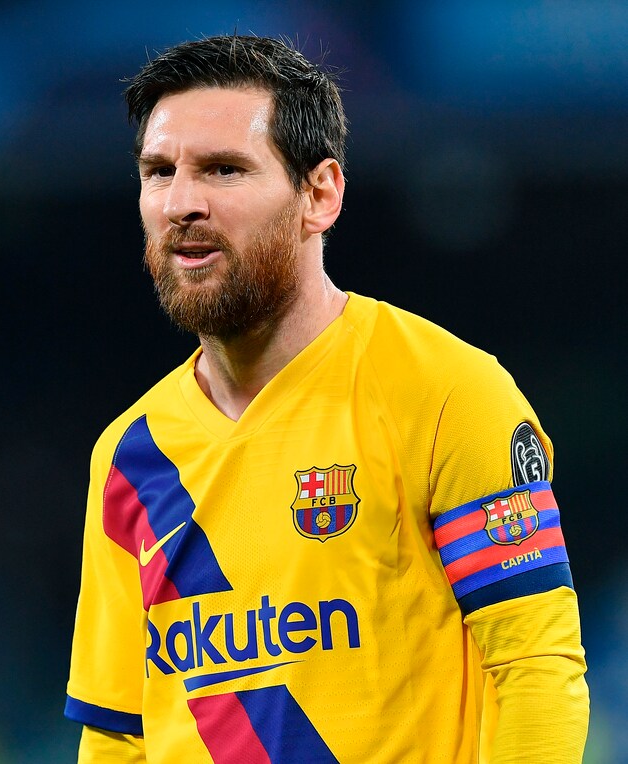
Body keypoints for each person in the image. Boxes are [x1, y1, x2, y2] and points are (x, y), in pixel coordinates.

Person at [63, 34, 588, 763]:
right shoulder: (129, 457)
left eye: (224, 169)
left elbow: (537, 671)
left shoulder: (445, 394)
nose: (182, 203)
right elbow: (118, 733)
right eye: (159, 172)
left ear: (320, 195)